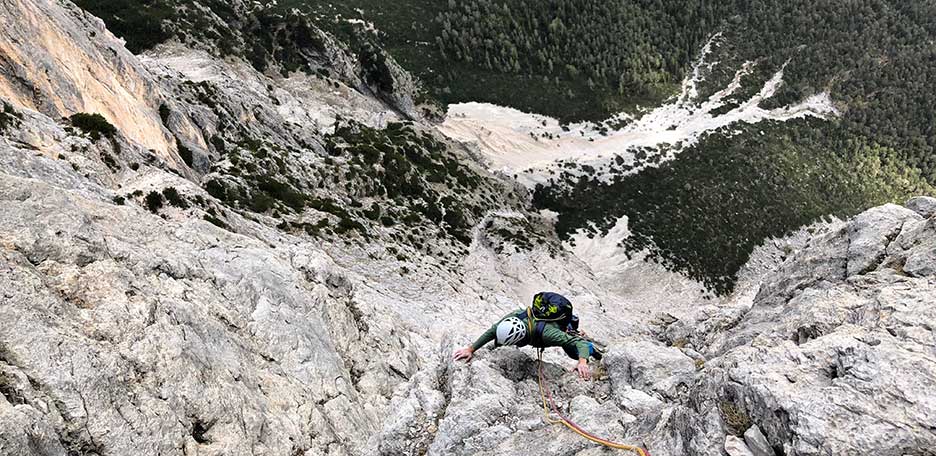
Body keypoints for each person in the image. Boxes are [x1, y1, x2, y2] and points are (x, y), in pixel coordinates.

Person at [453, 292, 602, 380]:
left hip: (558, 328)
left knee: (572, 350)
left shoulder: (549, 334)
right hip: (543, 325)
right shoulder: (515, 315)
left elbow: (578, 343)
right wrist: (471, 349)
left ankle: (595, 351)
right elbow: (493, 331)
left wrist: (582, 362)